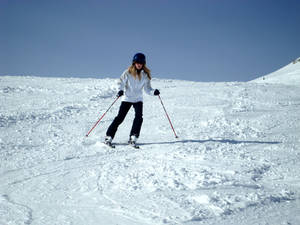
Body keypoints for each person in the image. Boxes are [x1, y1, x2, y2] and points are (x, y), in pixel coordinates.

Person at [105, 53, 160, 147]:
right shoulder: (127, 72)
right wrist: (120, 90)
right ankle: (109, 136)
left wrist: (153, 91)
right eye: (137, 62)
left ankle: (133, 136)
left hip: (138, 99)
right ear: (134, 63)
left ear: (143, 64)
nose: (139, 64)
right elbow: (120, 82)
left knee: (139, 117)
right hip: (127, 98)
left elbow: (147, 89)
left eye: (141, 63)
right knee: (120, 118)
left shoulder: (145, 75)